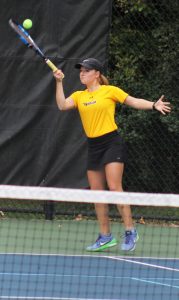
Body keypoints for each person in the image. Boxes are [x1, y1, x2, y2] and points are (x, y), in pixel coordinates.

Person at [53, 58, 171, 252]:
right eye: (81, 70)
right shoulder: (79, 95)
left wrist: (153, 105)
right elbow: (62, 105)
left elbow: (133, 101)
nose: (82, 73)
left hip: (111, 143)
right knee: (97, 192)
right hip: (93, 146)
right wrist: (58, 82)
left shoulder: (110, 91)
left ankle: (130, 231)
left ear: (97, 74)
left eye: (86, 70)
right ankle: (106, 236)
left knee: (115, 187)